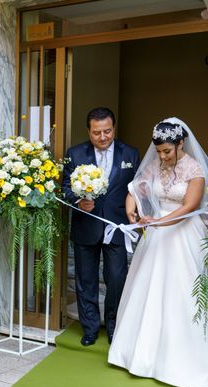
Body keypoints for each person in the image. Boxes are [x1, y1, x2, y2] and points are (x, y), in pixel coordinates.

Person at [108, 118, 208, 387]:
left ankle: (187, 359)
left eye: (167, 151)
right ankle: (140, 355)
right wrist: (133, 207)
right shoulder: (156, 164)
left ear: (180, 143)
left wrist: (159, 222)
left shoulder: (195, 169)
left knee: (185, 291)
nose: (162, 157)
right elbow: (136, 187)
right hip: (156, 235)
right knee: (148, 291)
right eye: (159, 151)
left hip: (184, 233)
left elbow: (189, 206)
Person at [62, 107, 140, 346]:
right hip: (86, 225)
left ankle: (114, 326)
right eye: (97, 133)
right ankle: (90, 328)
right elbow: (64, 188)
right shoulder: (75, 154)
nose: (103, 137)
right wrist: (78, 200)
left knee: (116, 278)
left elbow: (137, 188)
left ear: (114, 128)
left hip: (116, 226)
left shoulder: (131, 153)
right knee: (86, 279)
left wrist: (135, 212)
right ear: (89, 131)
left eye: (107, 131)